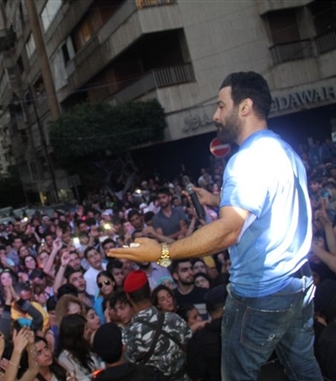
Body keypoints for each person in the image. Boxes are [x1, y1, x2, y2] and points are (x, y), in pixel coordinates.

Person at [110, 71, 322, 380]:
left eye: (221, 106)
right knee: (304, 370)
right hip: (297, 284)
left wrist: (162, 253)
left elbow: (228, 231)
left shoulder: (246, 160)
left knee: (237, 374)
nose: (215, 115)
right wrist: (218, 200)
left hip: (260, 294)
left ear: (245, 107)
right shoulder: (283, 151)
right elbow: (266, 206)